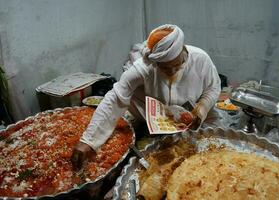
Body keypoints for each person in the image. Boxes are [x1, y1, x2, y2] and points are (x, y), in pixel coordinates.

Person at [71, 24, 221, 169]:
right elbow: (115, 98)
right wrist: (89, 141)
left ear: (183, 51)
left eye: (177, 65)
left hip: (191, 115)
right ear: (156, 63)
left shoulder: (201, 60)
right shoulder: (144, 67)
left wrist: (202, 108)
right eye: (165, 68)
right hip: (156, 118)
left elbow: (212, 88)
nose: (172, 71)